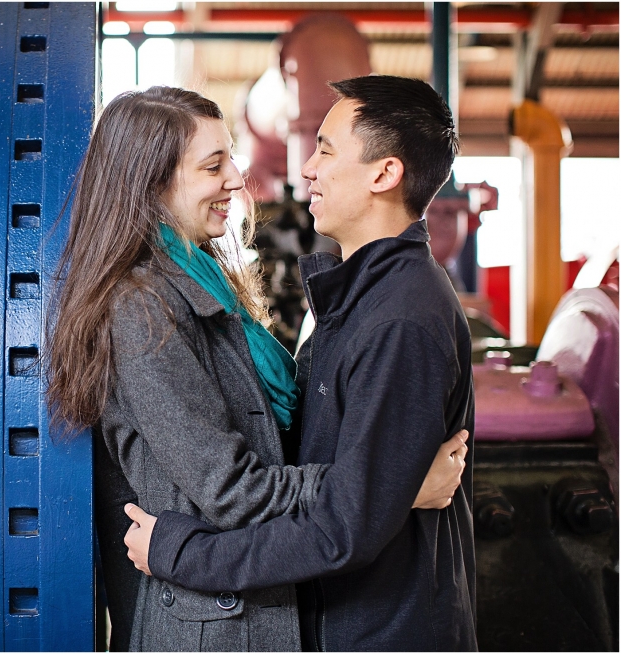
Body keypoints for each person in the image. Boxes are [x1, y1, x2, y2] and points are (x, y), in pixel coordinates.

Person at [45, 86, 468, 652]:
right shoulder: (144, 308)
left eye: (326, 151)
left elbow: (302, 463)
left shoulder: (379, 307)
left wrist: (374, 496)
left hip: (261, 608)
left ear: (384, 173)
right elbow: (233, 488)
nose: (237, 181)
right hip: (213, 622)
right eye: (213, 165)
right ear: (151, 182)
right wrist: (388, 490)